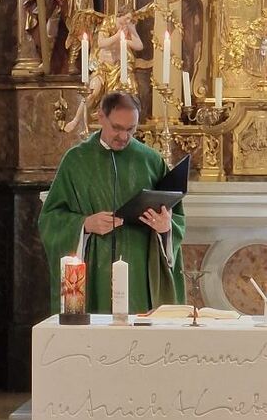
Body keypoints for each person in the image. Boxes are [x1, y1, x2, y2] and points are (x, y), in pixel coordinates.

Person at [39, 91, 186, 314]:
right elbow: (50, 218)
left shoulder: (151, 160)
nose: (124, 136)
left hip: (140, 270)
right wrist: (85, 224)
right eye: (117, 128)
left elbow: (175, 216)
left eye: (131, 129)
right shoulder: (76, 161)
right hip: (96, 269)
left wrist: (165, 227)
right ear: (101, 117)